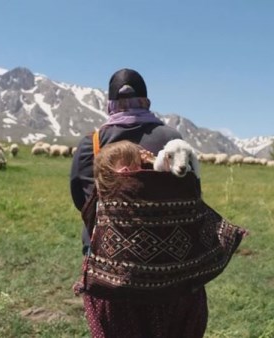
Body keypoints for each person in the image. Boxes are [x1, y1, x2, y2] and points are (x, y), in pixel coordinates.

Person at [70, 69, 208, 338]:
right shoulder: (171, 139)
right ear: (146, 101)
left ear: (110, 105)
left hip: (112, 277)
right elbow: (194, 193)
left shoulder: (92, 143)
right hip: (174, 273)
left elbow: (82, 200)